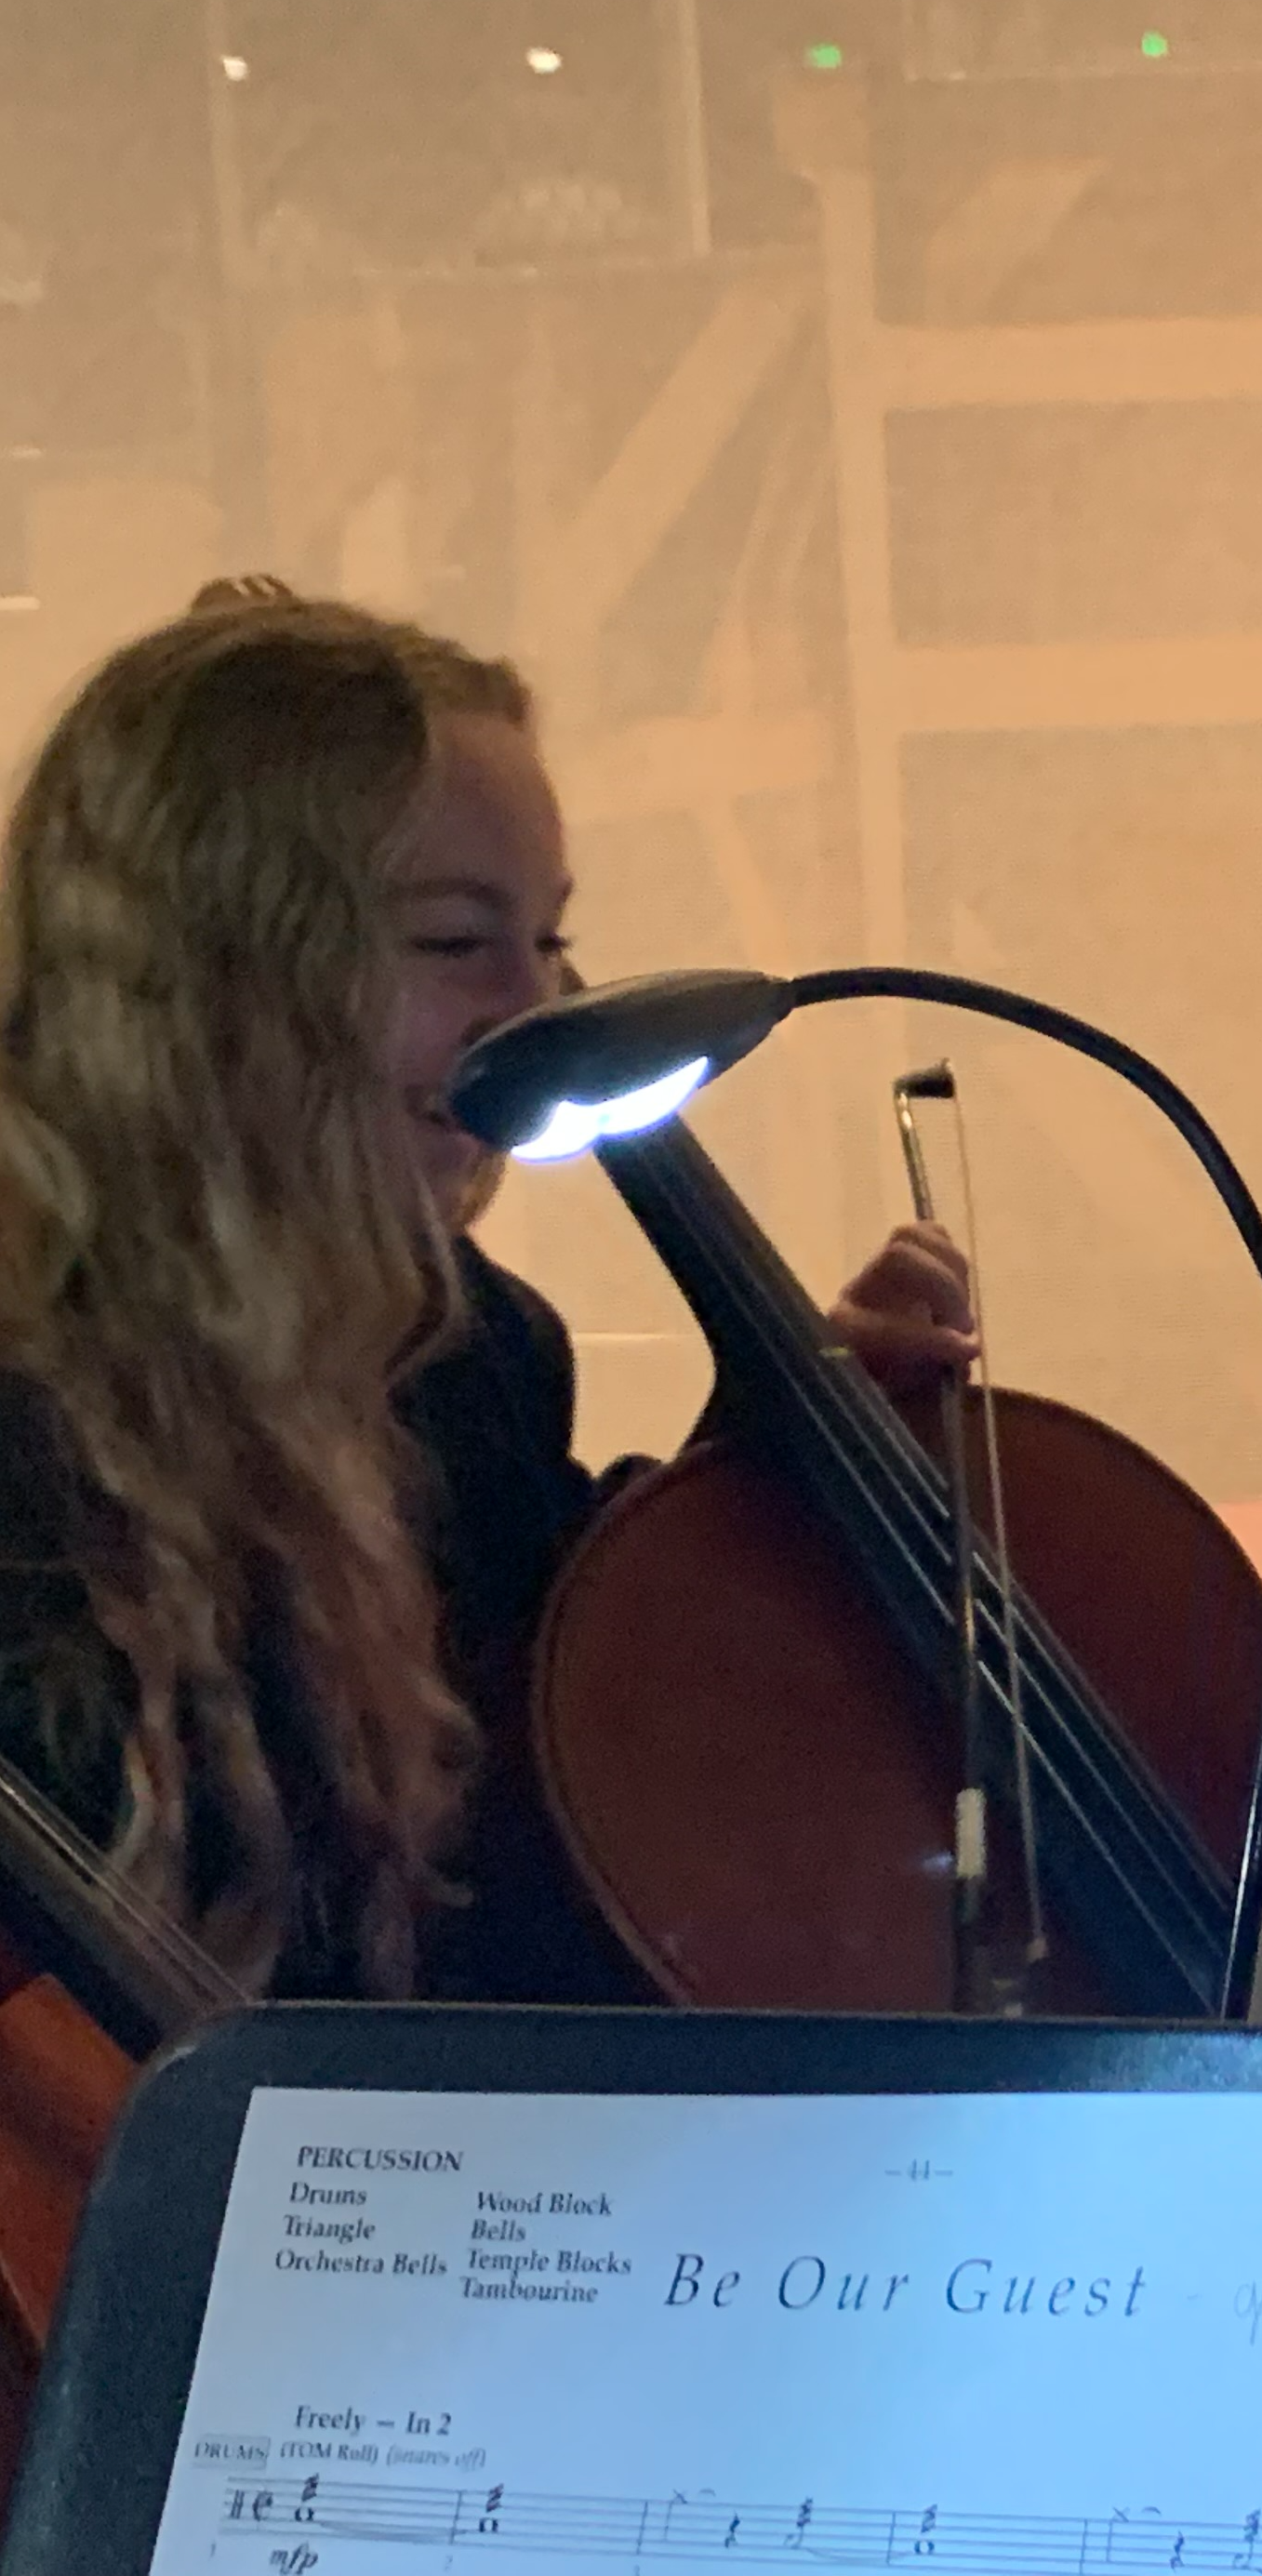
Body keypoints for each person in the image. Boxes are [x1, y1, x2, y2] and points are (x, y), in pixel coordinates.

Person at [0, 580, 977, 2005]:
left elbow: (545, 1849)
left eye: (552, 937)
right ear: (211, 974)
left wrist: (761, 1471)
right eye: (458, 941)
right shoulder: (30, 1428)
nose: (539, 1005)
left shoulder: (475, 1359)